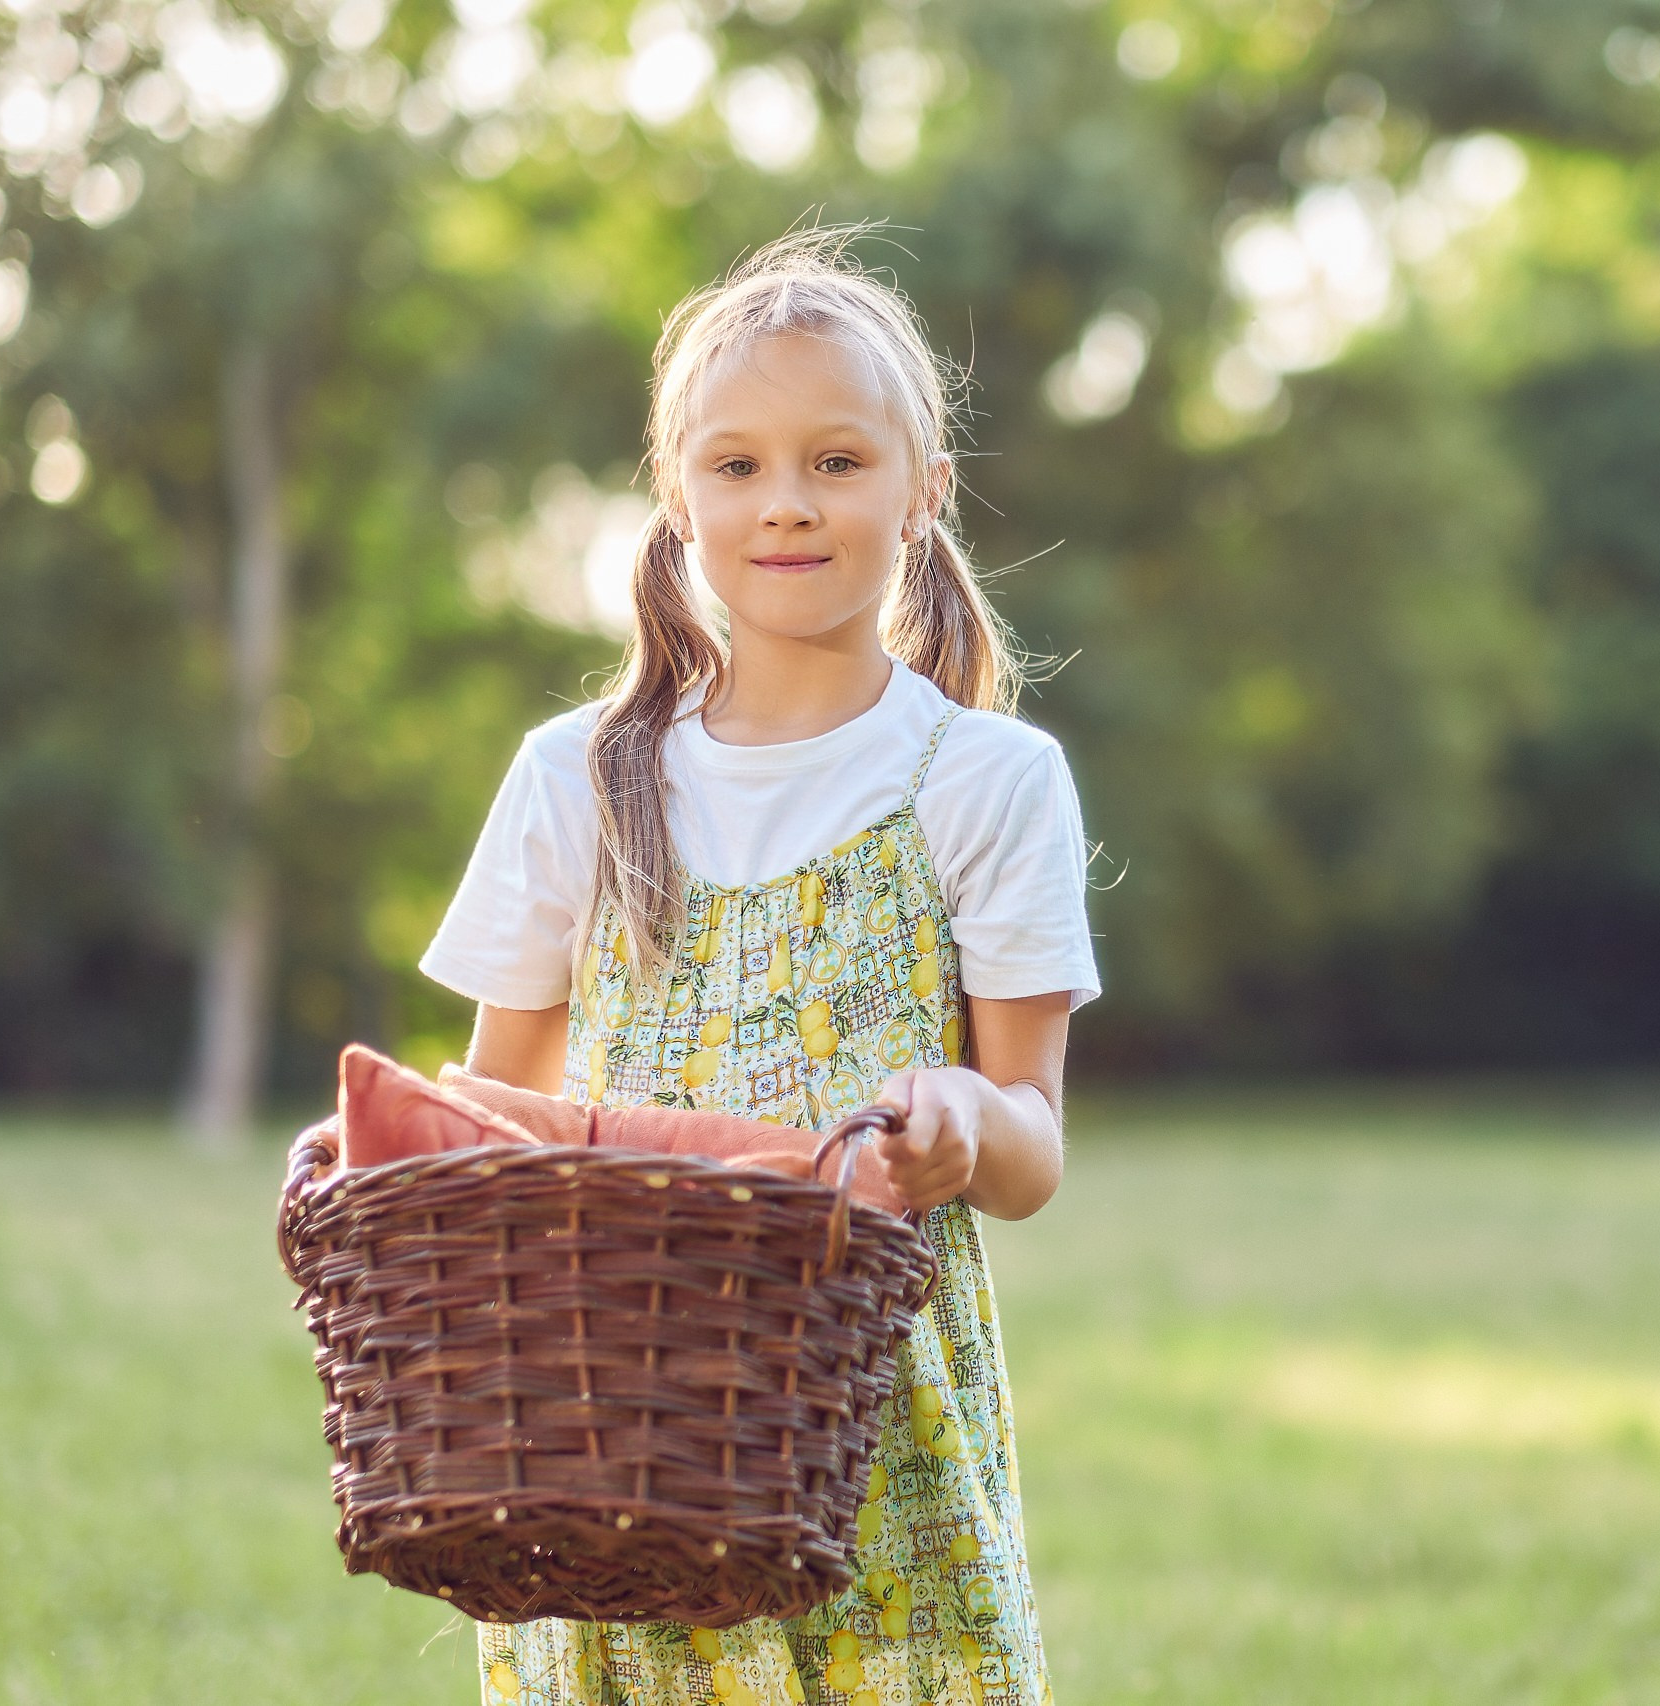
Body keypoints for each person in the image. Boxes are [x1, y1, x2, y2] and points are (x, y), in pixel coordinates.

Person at [418, 229, 1099, 1706]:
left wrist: (963, 1125)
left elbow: (1033, 1141)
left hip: (869, 1440)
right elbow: (493, 1114)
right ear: (677, 496)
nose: (786, 503)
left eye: (837, 461)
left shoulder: (985, 780)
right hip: (616, 1432)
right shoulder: (576, 779)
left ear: (926, 488)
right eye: (736, 466)